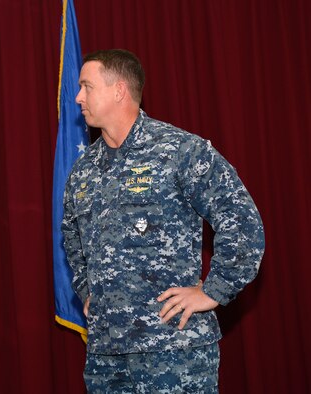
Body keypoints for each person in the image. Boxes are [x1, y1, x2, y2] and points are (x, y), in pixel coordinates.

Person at [62, 49, 265, 393]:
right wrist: (87, 290)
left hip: (173, 351)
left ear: (119, 90)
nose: (78, 96)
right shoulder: (84, 170)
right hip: (107, 357)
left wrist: (213, 290)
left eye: (86, 86)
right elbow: (72, 236)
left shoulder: (180, 151)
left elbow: (242, 220)